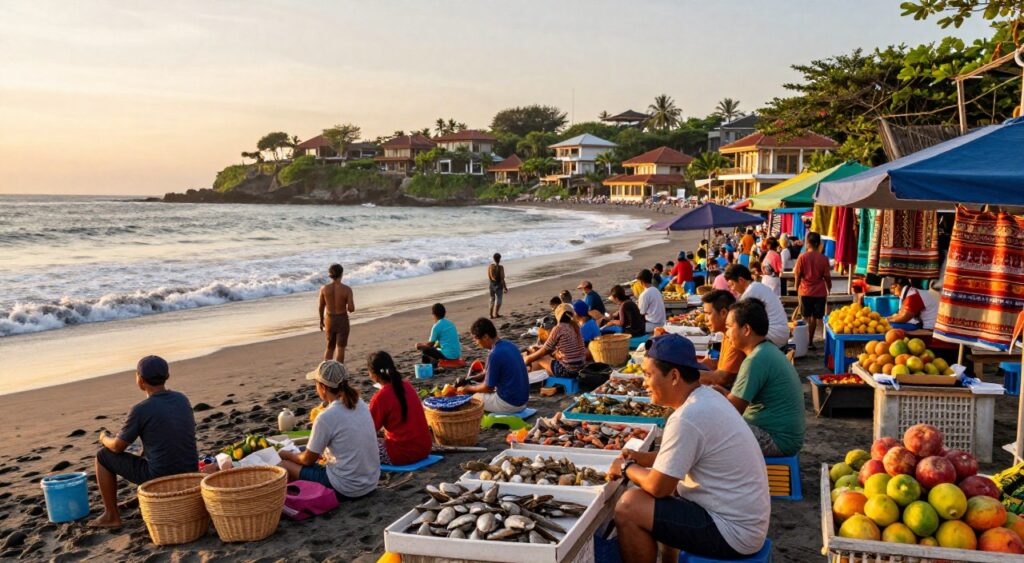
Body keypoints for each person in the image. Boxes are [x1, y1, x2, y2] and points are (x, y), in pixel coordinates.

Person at [610, 334, 770, 562]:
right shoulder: (707, 397)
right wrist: (643, 459)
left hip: (734, 533)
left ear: (674, 376)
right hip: (747, 523)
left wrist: (626, 467)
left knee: (629, 506)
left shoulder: (688, 417)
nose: (644, 383)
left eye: (648, 375)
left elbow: (659, 487)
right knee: (661, 498)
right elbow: (682, 456)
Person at [91, 355, 196, 528]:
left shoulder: (141, 409)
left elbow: (117, 447)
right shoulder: (182, 399)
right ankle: (135, 500)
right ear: (166, 376)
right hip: (190, 471)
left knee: (103, 456)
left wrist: (103, 437)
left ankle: (111, 516)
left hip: (161, 477)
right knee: (151, 447)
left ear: (140, 381)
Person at [718, 300, 805, 457]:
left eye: (729, 327)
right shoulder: (767, 350)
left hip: (777, 439)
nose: (727, 333)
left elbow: (731, 411)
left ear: (746, 329)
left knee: (709, 429)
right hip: (783, 435)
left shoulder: (756, 360)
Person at [279, 361, 379, 498]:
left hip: (347, 488)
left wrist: (286, 455)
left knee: (284, 464)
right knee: (301, 450)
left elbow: (307, 460)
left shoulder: (325, 417)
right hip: (370, 482)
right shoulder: (359, 403)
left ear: (323, 387)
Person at [367, 352, 432, 466]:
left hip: (402, 454)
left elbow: (368, 430)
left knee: (360, 445)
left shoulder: (380, 397)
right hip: (424, 448)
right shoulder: (407, 386)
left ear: (374, 374)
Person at [459, 318, 529, 414]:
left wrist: (468, 389)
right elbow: (489, 373)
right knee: (476, 387)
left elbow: (488, 388)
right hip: (523, 400)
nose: (476, 343)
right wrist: (471, 379)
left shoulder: (494, 354)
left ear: (485, 337)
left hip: (510, 404)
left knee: (468, 397)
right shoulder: (509, 345)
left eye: (476, 339)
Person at [723, 264, 790, 348]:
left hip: (775, 335)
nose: (732, 289)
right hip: (781, 333)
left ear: (741, 280)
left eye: (732, 284)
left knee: (737, 333)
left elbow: (735, 317)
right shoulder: (757, 286)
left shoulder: (751, 292)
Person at [526, 303, 587, 378]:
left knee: (537, 356)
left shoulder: (559, 328)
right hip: (581, 368)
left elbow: (545, 350)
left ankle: (528, 373)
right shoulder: (575, 327)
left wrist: (528, 359)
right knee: (547, 354)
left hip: (568, 371)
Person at [699, 290, 745, 387]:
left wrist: (686, 375)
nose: (705, 319)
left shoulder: (735, 338)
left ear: (723, 313)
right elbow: (718, 364)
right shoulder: (725, 333)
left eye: (708, 313)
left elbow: (723, 378)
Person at [793, 232, 832, 346]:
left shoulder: (802, 257)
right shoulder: (824, 259)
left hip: (805, 291)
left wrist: (797, 289)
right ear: (818, 244)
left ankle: (804, 342)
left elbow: (797, 275)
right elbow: (827, 277)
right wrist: (829, 288)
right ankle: (810, 341)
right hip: (819, 292)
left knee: (805, 317)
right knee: (814, 319)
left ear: (808, 243)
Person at [319, 263, 355, 362]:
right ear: (341, 274)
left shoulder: (324, 289)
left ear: (330, 274)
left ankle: (326, 372)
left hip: (329, 319)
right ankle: (338, 373)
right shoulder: (347, 289)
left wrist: (321, 320)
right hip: (342, 319)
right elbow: (351, 309)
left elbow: (321, 306)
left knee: (330, 347)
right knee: (340, 348)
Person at [415, 303, 461, 367]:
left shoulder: (437, 326)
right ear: (444, 313)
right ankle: (434, 363)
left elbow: (430, 344)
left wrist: (419, 345)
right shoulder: (450, 323)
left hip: (448, 356)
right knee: (436, 344)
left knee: (425, 350)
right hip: (457, 354)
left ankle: (429, 367)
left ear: (434, 314)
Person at [488, 253, 509, 319]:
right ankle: (496, 313)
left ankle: (491, 315)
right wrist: (505, 287)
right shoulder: (500, 267)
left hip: (491, 284)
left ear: (493, 258)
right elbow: (502, 279)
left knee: (492, 299)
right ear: (499, 259)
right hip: (499, 285)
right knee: (499, 299)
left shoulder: (490, 266)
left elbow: (489, 276)